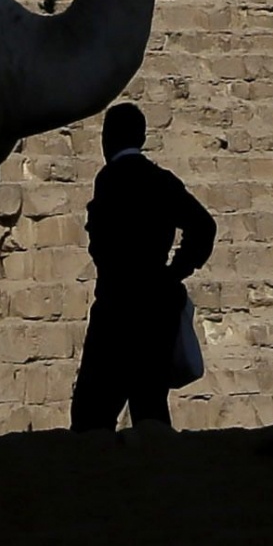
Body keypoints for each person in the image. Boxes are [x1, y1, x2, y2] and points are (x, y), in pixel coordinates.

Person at [70, 102, 216, 432]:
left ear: (106, 139)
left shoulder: (108, 181)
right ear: (143, 137)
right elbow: (204, 226)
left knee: (91, 416)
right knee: (150, 406)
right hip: (155, 309)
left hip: (116, 307)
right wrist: (174, 272)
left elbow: (102, 243)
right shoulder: (160, 181)